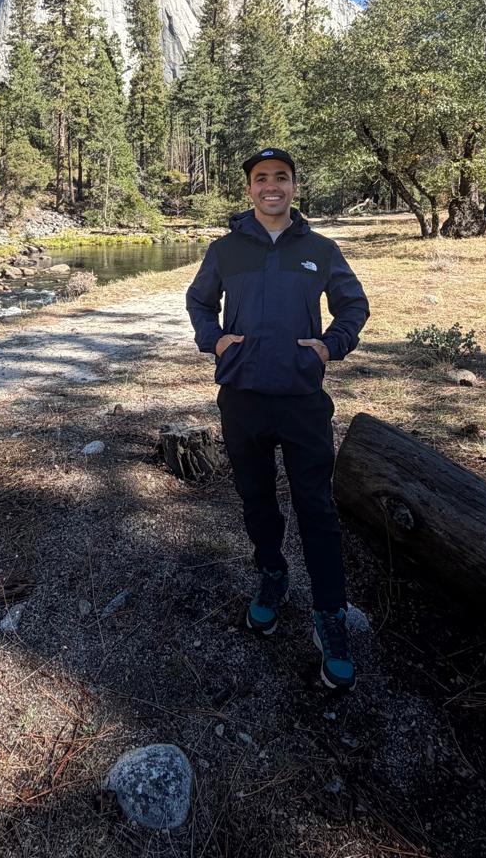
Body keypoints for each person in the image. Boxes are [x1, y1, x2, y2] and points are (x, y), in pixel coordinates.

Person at [186, 148, 370, 692]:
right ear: (249, 189)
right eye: (262, 178)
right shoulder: (224, 249)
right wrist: (213, 340)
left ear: (293, 186)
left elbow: (353, 305)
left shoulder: (319, 248)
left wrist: (330, 347)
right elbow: (199, 303)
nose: (272, 186)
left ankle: (330, 614)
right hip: (241, 396)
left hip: (302, 400)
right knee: (256, 497)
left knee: (317, 506)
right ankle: (272, 577)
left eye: (281, 178)